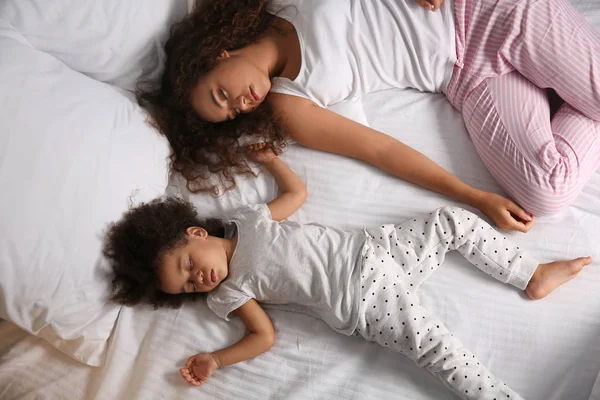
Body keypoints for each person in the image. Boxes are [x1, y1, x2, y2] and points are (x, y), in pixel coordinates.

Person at [103, 143, 591, 400]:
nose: (199, 279)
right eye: (187, 286)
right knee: (443, 352)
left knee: (452, 222)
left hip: (376, 249)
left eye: (190, 266)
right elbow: (263, 337)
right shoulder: (227, 294)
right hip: (364, 304)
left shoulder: (248, 220)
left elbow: (294, 198)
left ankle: (530, 274)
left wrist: (274, 161)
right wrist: (216, 359)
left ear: (194, 233)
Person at [137, 0, 600, 224]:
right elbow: (380, 149)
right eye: (230, 115)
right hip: (466, 77)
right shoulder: (288, 104)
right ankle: (565, 90)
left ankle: (570, 84)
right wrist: (473, 196)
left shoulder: (280, 3)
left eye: (222, 95)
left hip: (481, 11)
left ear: (219, 54)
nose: (239, 106)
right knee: (546, 190)